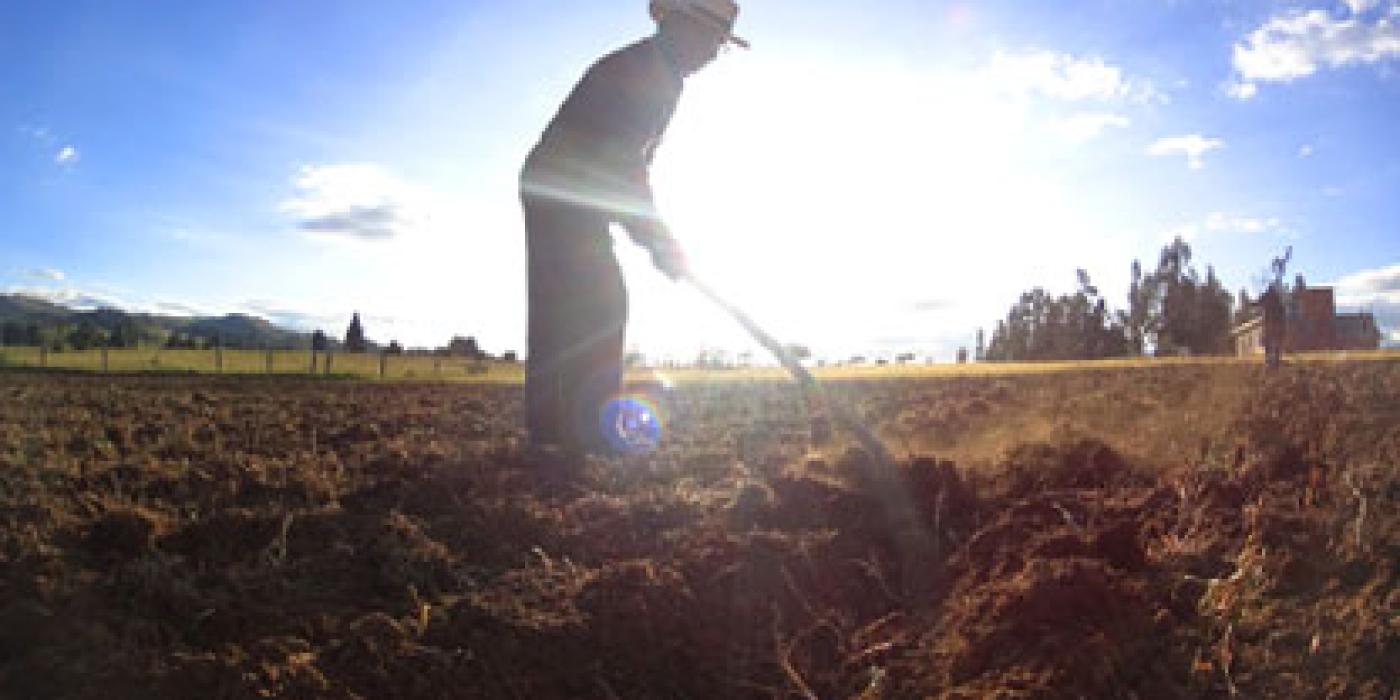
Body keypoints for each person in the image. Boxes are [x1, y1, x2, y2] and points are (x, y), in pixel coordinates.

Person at [519, 0, 747, 460]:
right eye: (711, 40)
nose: (711, 54)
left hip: (564, 187)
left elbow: (632, 166)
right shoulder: (643, 72)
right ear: (680, 25)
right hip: (562, 189)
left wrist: (655, 240)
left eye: (720, 45)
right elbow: (621, 168)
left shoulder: (662, 76)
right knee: (600, 303)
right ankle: (587, 434)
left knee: (566, 307)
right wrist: (659, 242)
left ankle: (551, 434)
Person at [1260, 282, 1285, 370]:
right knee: (1275, 341)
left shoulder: (1267, 297)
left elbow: (1259, 302)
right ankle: (1275, 360)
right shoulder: (1277, 299)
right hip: (1276, 323)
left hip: (1271, 322)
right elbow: (1282, 311)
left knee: (1269, 341)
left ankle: (1269, 360)